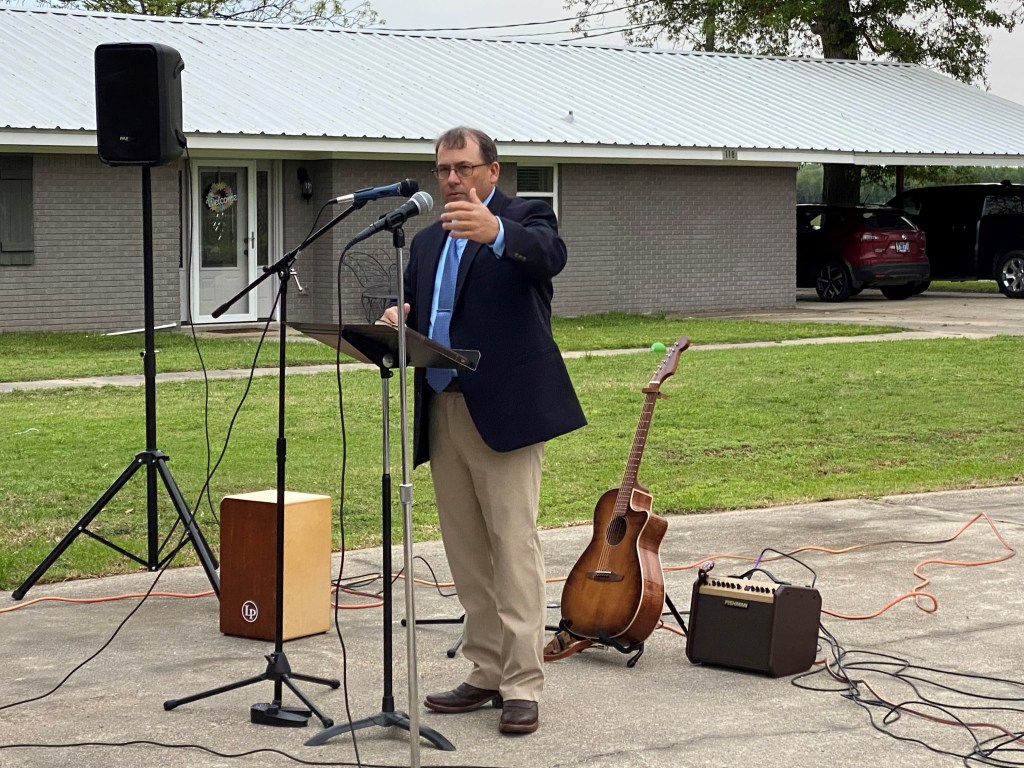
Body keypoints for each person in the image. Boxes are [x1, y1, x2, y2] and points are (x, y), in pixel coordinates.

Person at [381, 126, 586, 735]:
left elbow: (550, 256)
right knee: (466, 549)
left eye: (464, 167)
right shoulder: (426, 242)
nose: (452, 179)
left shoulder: (525, 219)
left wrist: (495, 232)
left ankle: (522, 683)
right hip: (442, 406)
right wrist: (399, 315)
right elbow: (418, 306)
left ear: (492, 171)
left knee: (513, 545)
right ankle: (486, 670)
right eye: (443, 169)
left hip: (504, 410)